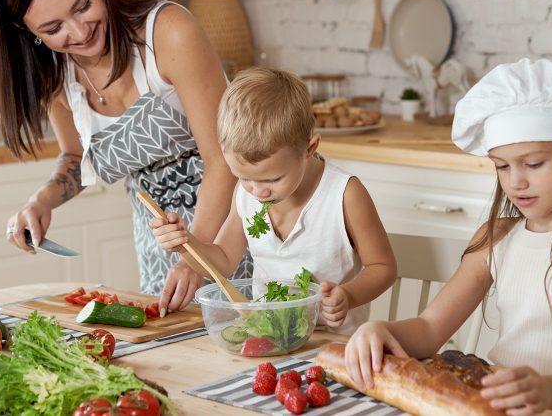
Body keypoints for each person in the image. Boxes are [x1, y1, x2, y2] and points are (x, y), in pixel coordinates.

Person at [343, 58, 552, 414]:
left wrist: (546, 390)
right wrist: (379, 330)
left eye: (534, 163)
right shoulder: (496, 237)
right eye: (502, 166)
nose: (516, 181)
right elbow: (429, 327)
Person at [0, 0, 252, 310]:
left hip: (235, 228)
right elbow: (77, 157)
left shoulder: (167, 33)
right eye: (53, 28)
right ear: (26, 31)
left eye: (83, 6)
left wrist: (197, 256)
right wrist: (41, 202)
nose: (79, 32)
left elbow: (224, 159)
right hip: (160, 249)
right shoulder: (57, 77)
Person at [150, 67, 397, 334]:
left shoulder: (345, 195)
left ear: (309, 148)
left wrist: (348, 296)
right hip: (269, 339)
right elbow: (222, 260)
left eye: (272, 180)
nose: (258, 191)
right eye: (244, 177)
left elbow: (383, 268)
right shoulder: (245, 194)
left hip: (333, 346)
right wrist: (185, 244)